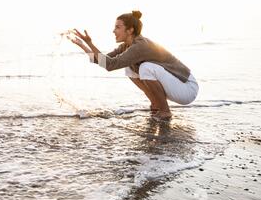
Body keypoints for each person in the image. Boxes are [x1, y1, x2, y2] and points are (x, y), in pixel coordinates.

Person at [68, 10, 199, 120]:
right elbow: (102, 61)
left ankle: (165, 111)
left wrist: (90, 43)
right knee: (130, 69)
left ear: (130, 30)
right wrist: (83, 45)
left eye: (118, 27)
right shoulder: (126, 46)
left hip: (187, 88)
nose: (114, 31)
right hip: (176, 86)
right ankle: (156, 104)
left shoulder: (140, 45)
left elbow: (109, 66)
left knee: (145, 68)